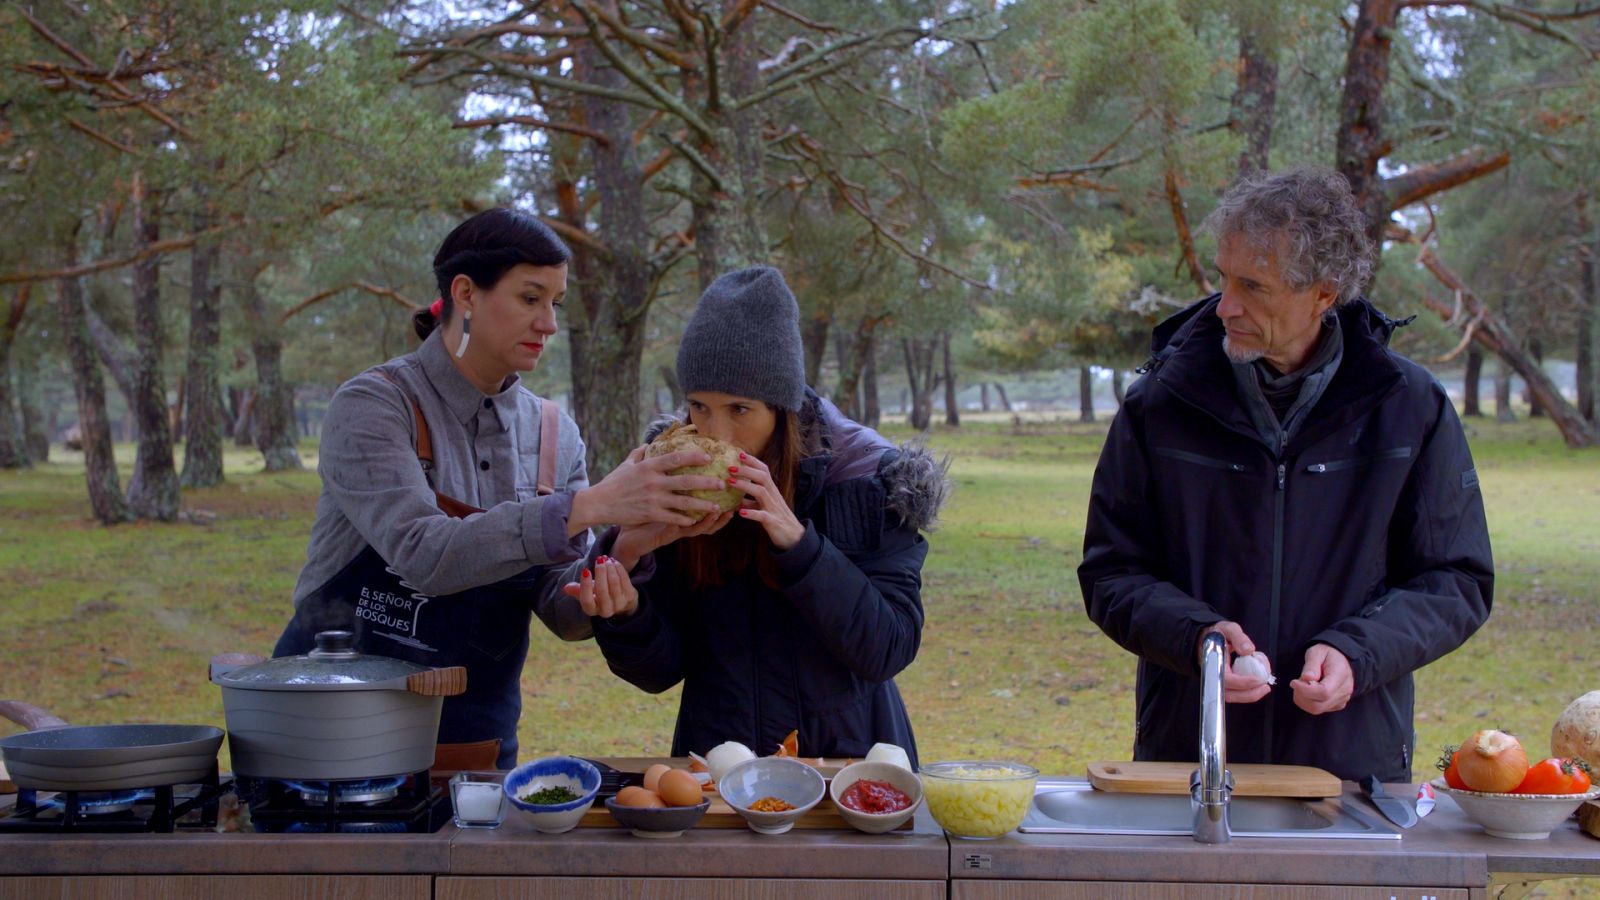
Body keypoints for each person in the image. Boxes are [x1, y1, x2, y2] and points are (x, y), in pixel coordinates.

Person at [1077, 168, 1494, 782]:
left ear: (1324, 294)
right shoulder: (1159, 405)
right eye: (1223, 276)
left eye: (1252, 286)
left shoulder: (1410, 409)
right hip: (1191, 763)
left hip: (1349, 772)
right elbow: (1112, 571)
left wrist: (1359, 652)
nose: (1225, 305)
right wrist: (1199, 640)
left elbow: (1456, 579)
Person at [276, 208, 729, 770]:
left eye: (556, 303)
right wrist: (592, 505)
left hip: (474, 752)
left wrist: (629, 544)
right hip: (331, 739)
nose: (550, 324)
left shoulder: (554, 434)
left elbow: (564, 614)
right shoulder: (374, 405)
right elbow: (425, 554)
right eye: (530, 298)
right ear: (465, 293)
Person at [568, 266, 949, 766]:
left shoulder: (862, 478)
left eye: (739, 410)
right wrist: (628, 596)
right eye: (699, 407)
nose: (716, 432)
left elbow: (888, 648)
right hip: (721, 764)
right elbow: (660, 671)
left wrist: (800, 546)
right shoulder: (675, 480)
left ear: (781, 406)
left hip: (850, 769)